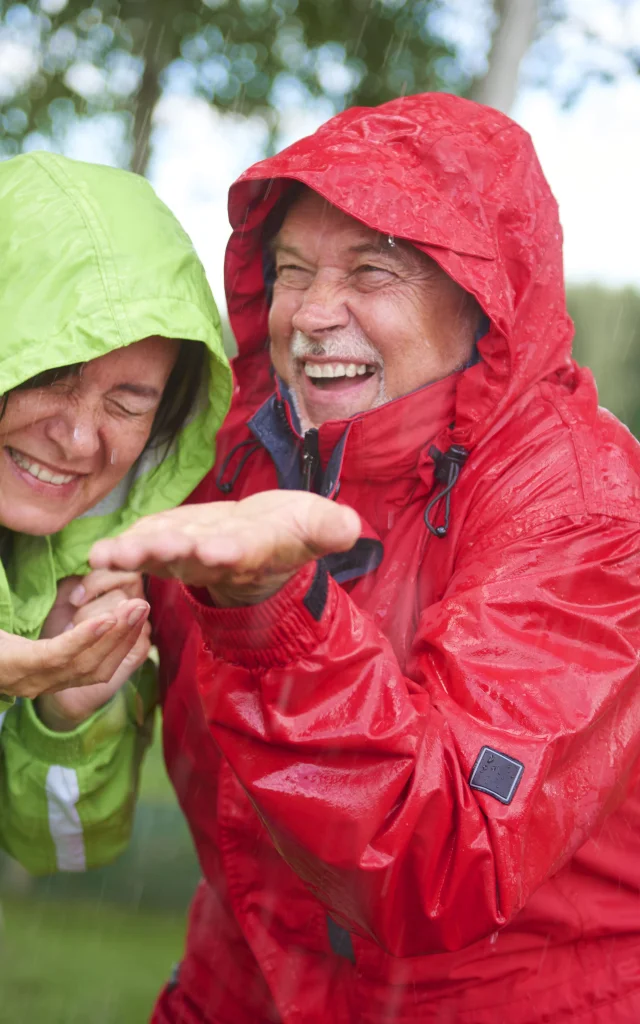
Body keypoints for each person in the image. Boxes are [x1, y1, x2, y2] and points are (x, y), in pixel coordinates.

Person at [15, 93, 640, 1022]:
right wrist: (67, 696)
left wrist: (272, 609)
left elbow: (444, 861)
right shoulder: (218, 454)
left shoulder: (581, 508)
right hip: (235, 987)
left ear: (482, 298)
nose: (310, 313)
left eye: (372, 271)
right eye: (291, 270)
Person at [0, 150, 230, 872]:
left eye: (127, 406)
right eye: (46, 377)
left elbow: (58, 849)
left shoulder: (78, 573)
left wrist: (68, 712)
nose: (78, 438)